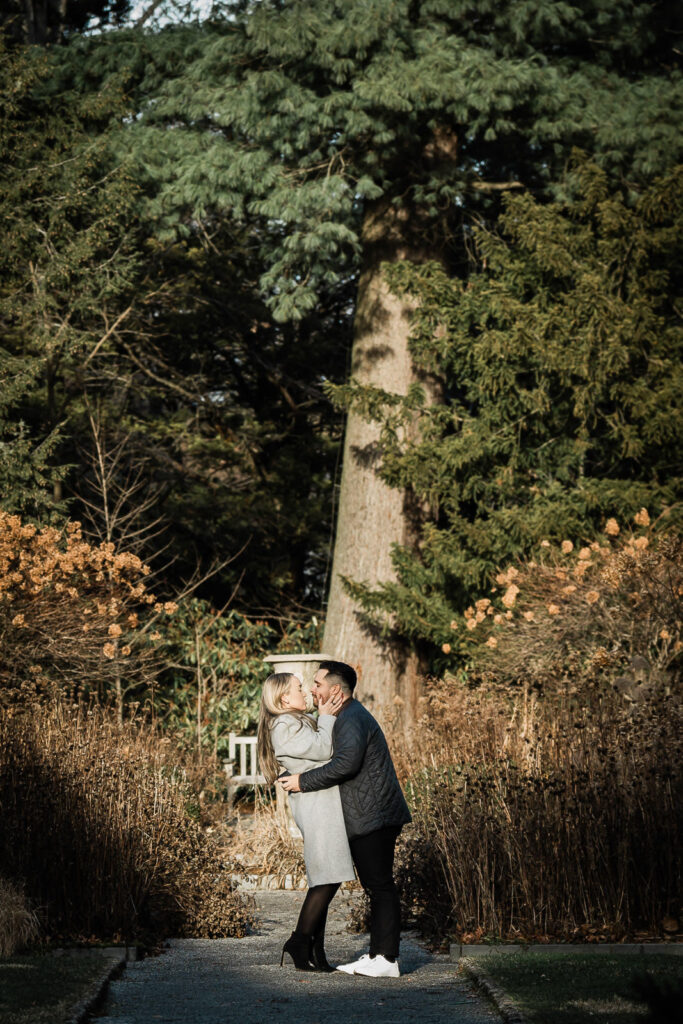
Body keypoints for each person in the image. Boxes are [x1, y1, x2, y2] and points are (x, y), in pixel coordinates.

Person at [279, 660, 412, 979]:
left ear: (334, 690)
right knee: (364, 883)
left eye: (318, 684)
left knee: (380, 885)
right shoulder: (339, 716)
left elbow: (345, 765)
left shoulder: (351, 718)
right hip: (363, 815)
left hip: (374, 815)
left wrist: (301, 782)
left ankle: (387, 959)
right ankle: (369, 953)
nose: (312, 689)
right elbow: (322, 754)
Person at [257, 671, 355, 972]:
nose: (307, 693)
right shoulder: (284, 724)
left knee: (328, 875)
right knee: (325, 877)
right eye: (299, 689)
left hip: (322, 805)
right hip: (316, 809)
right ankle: (301, 941)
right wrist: (326, 715)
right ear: (284, 698)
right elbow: (323, 749)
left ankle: (314, 948)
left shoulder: (296, 721)